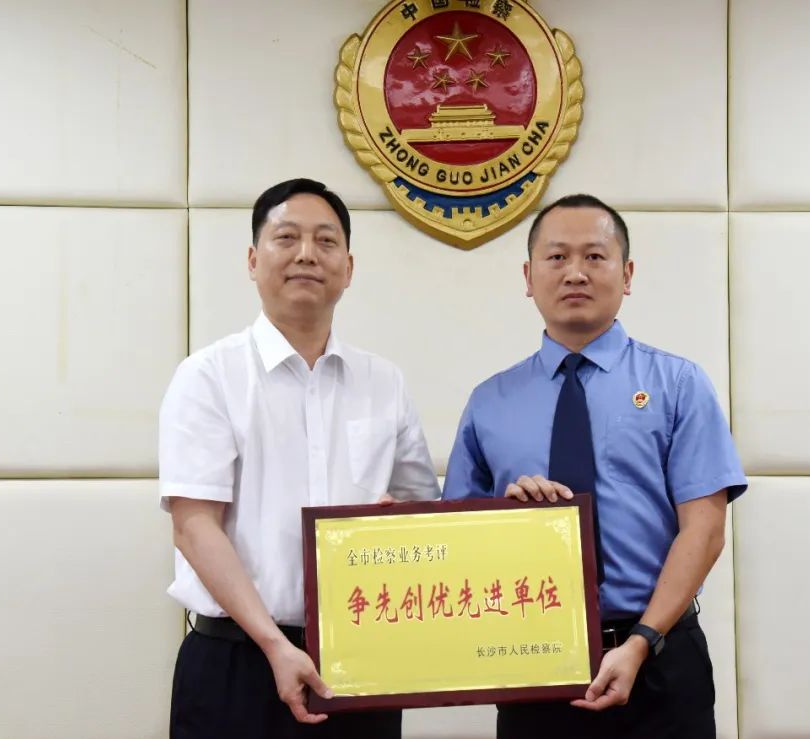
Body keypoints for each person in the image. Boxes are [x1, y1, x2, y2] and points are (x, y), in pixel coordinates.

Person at [443, 194, 747, 738]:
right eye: (557, 257)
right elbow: (458, 541)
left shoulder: (677, 384)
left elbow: (704, 530)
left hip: (658, 657)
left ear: (627, 275)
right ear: (529, 277)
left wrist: (641, 641)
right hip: (534, 661)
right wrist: (506, 518)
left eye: (595, 256)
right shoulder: (490, 401)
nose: (575, 272)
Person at [159, 178, 440, 739]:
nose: (307, 254)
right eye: (287, 237)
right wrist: (274, 644)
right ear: (252, 260)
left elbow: (422, 512)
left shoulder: (384, 382)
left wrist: (399, 523)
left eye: (326, 241)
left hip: (362, 664)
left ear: (348, 268)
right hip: (237, 665)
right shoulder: (208, 376)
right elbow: (193, 527)